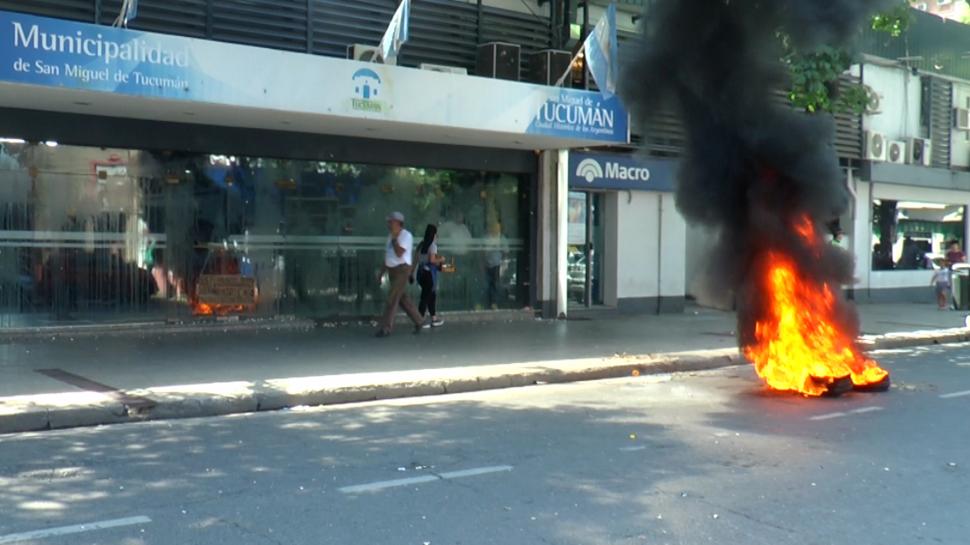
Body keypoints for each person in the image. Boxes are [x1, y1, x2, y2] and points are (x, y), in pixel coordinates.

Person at [376, 211, 423, 337]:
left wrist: (395, 239)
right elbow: (388, 256)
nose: (389, 224)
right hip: (392, 270)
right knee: (402, 298)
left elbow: (399, 253)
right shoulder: (390, 236)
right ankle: (419, 320)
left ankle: (386, 327)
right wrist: (381, 272)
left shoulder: (406, 236)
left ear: (398, 223)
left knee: (392, 297)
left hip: (402, 269)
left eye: (391, 222)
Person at [415, 224, 445, 328]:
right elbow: (432, 260)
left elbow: (418, 259)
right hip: (429, 275)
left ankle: (434, 318)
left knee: (431, 295)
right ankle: (420, 319)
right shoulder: (433, 246)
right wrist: (441, 260)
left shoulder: (421, 244)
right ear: (434, 234)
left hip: (421, 273)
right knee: (426, 297)